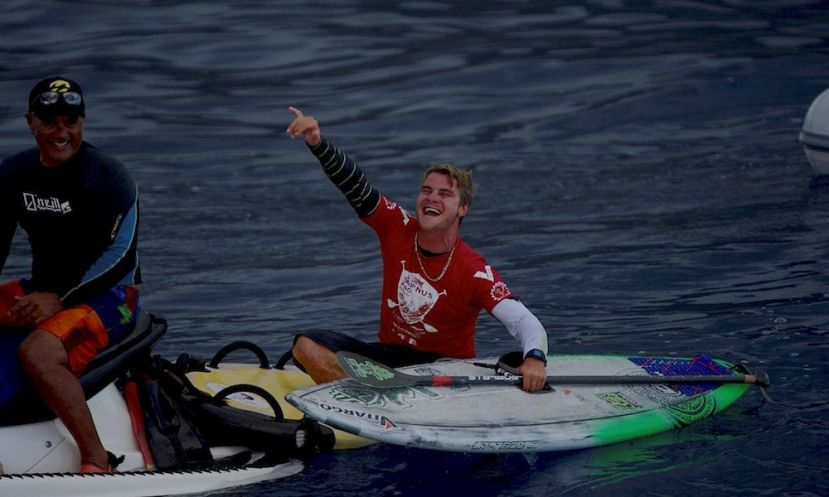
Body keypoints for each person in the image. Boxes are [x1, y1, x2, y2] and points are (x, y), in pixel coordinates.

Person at [286, 107, 549, 392]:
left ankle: (370, 401)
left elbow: (525, 321)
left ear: (463, 209)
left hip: (447, 372)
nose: (431, 198)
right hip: (390, 360)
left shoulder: (472, 269)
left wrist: (534, 358)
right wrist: (317, 143)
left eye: (444, 194)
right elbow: (355, 186)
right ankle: (363, 403)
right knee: (305, 347)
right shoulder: (397, 226)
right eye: (427, 190)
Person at [0, 76, 141, 472]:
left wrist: (59, 299)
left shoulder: (109, 177)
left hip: (112, 299)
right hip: (43, 291)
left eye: (70, 121)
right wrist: (45, 297)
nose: (61, 132)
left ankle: (96, 458)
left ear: (83, 122)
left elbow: (122, 258)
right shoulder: (13, 174)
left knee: (37, 352)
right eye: (49, 121)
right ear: (30, 123)